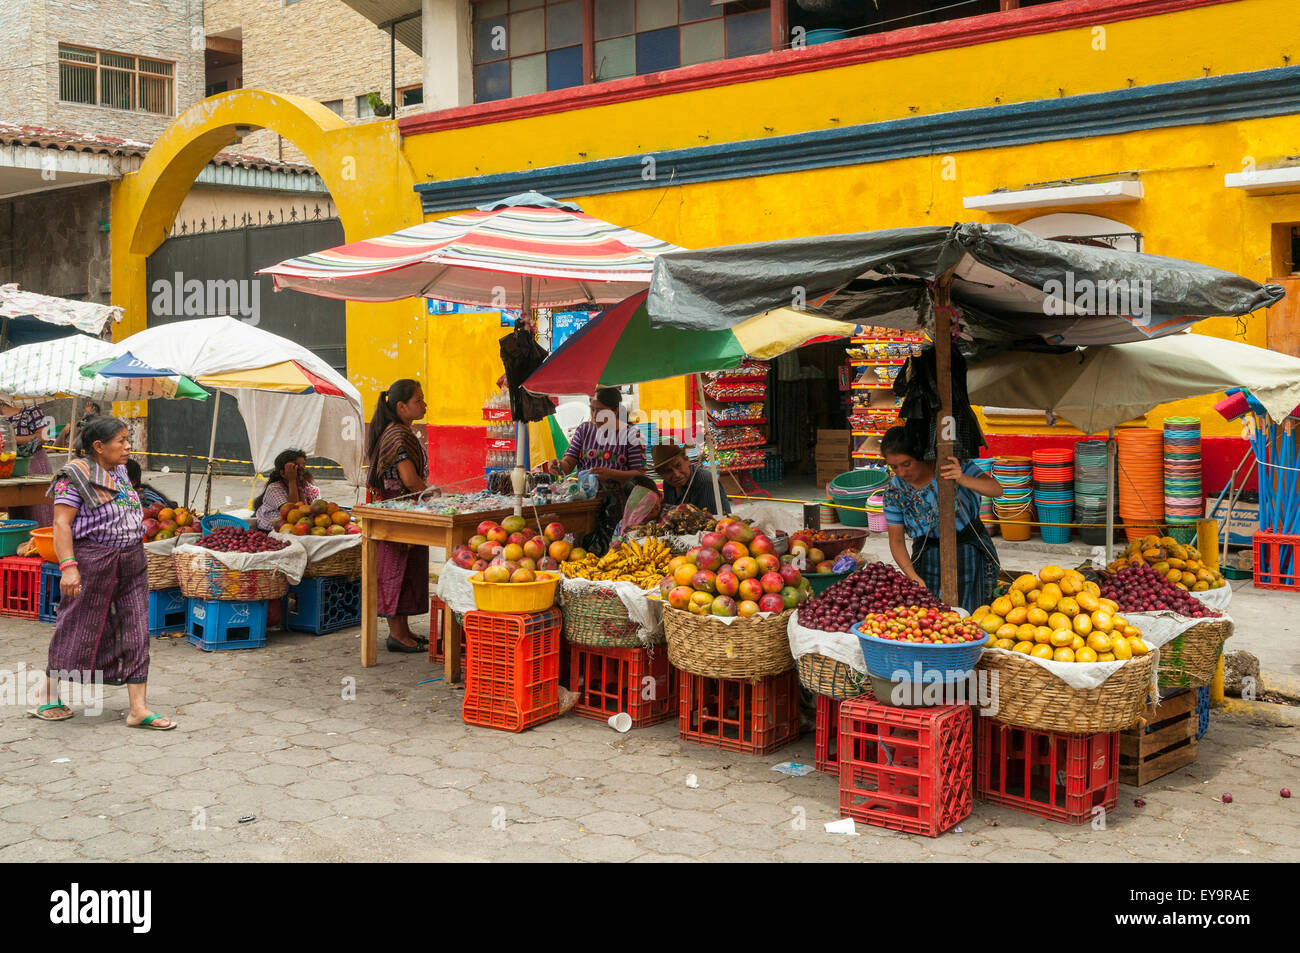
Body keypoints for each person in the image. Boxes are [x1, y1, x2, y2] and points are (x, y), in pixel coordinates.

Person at [29, 415, 175, 729]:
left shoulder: (121, 471)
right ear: (98, 446)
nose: (127, 446)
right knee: (77, 624)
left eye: (127, 440)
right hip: (93, 561)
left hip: (132, 560)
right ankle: (47, 694)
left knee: (136, 627)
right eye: (120, 441)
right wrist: (68, 567)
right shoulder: (74, 476)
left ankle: (138, 708)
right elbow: (61, 524)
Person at [880, 426, 1003, 613]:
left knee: (972, 612)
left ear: (920, 455)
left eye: (907, 464)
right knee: (930, 615)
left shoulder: (952, 466)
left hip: (969, 549)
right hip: (926, 555)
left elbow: (996, 489)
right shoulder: (894, 491)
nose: (901, 472)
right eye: (894, 467)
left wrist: (962, 478)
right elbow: (896, 541)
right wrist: (911, 575)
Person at [539, 387, 647, 552]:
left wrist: (611, 474)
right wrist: (559, 465)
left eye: (601, 410)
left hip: (616, 507)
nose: (595, 415)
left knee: (612, 551)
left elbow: (640, 475)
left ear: (615, 410)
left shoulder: (631, 435)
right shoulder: (584, 430)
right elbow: (569, 463)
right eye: (592, 409)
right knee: (582, 550)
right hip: (585, 506)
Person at [366, 379, 429, 653]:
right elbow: (410, 479)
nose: (424, 404)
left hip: (403, 513)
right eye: (419, 400)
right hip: (397, 515)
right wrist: (434, 494)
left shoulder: (399, 431)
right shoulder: (398, 435)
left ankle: (403, 631)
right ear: (401, 406)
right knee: (396, 571)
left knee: (406, 570)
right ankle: (396, 635)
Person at [1, 400, 53, 526]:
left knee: (39, 511)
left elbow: (44, 437)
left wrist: (12, 439)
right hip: (9, 467)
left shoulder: (31, 409)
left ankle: (42, 543)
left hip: (34, 464)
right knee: (16, 516)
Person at [650, 442, 732, 515]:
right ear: (660, 474)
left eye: (678, 465)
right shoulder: (668, 484)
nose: (676, 474)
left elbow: (707, 522)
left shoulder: (705, 482)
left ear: (687, 460)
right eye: (667, 471)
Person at [251, 449, 319, 531]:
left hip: (299, 527)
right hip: (272, 530)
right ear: (283, 473)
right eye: (296, 468)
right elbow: (292, 513)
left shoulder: (308, 488)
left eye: (304, 466)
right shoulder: (274, 488)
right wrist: (292, 480)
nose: (303, 472)